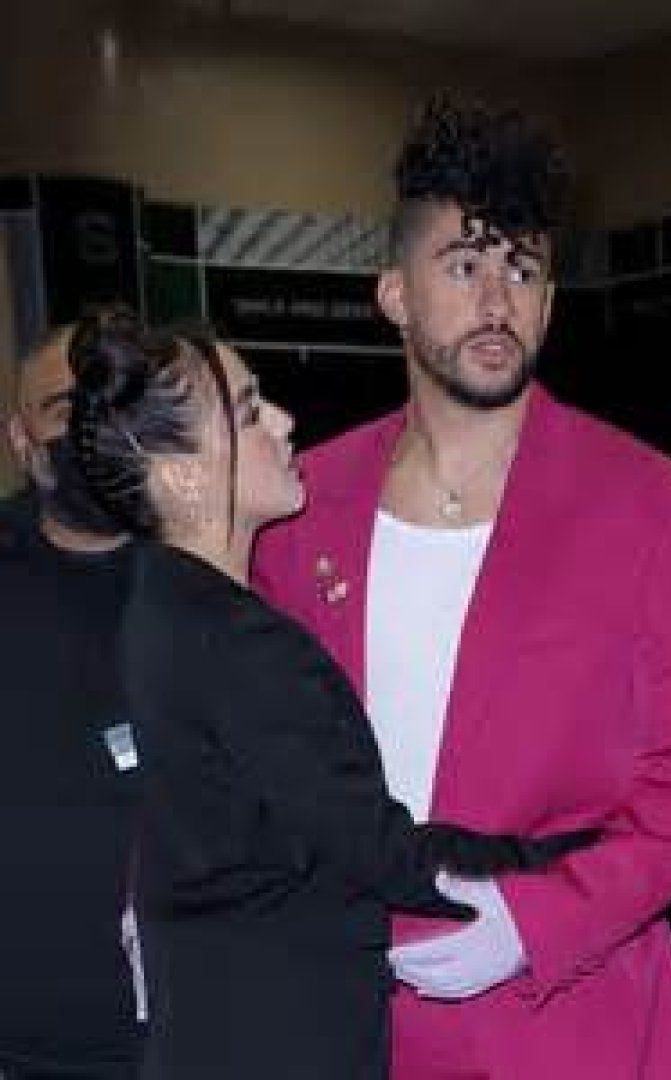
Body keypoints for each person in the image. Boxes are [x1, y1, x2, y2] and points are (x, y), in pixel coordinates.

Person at [253, 96, 671, 1078]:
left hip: (576, 1019)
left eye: (525, 269)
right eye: (465, 267)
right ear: (395, 294)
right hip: (346, 1012)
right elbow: (239, 742)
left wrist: (539, 921)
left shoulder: (665, 509)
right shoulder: (297, 510)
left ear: (551, 301)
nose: (498, 300)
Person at [66, 310, 594, 1080]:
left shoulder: (158, 605)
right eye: (250, 412)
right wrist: (566, 853)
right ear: (181, 474)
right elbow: (379, 851)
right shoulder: (236, 642)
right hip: (277, 1044)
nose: (284, 423)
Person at [0, 325, 144, 1078]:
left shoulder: (219, 568)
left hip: (185, 1035)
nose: (92, 432)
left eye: (111, 406)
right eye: (65, 411)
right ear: (22, 441)